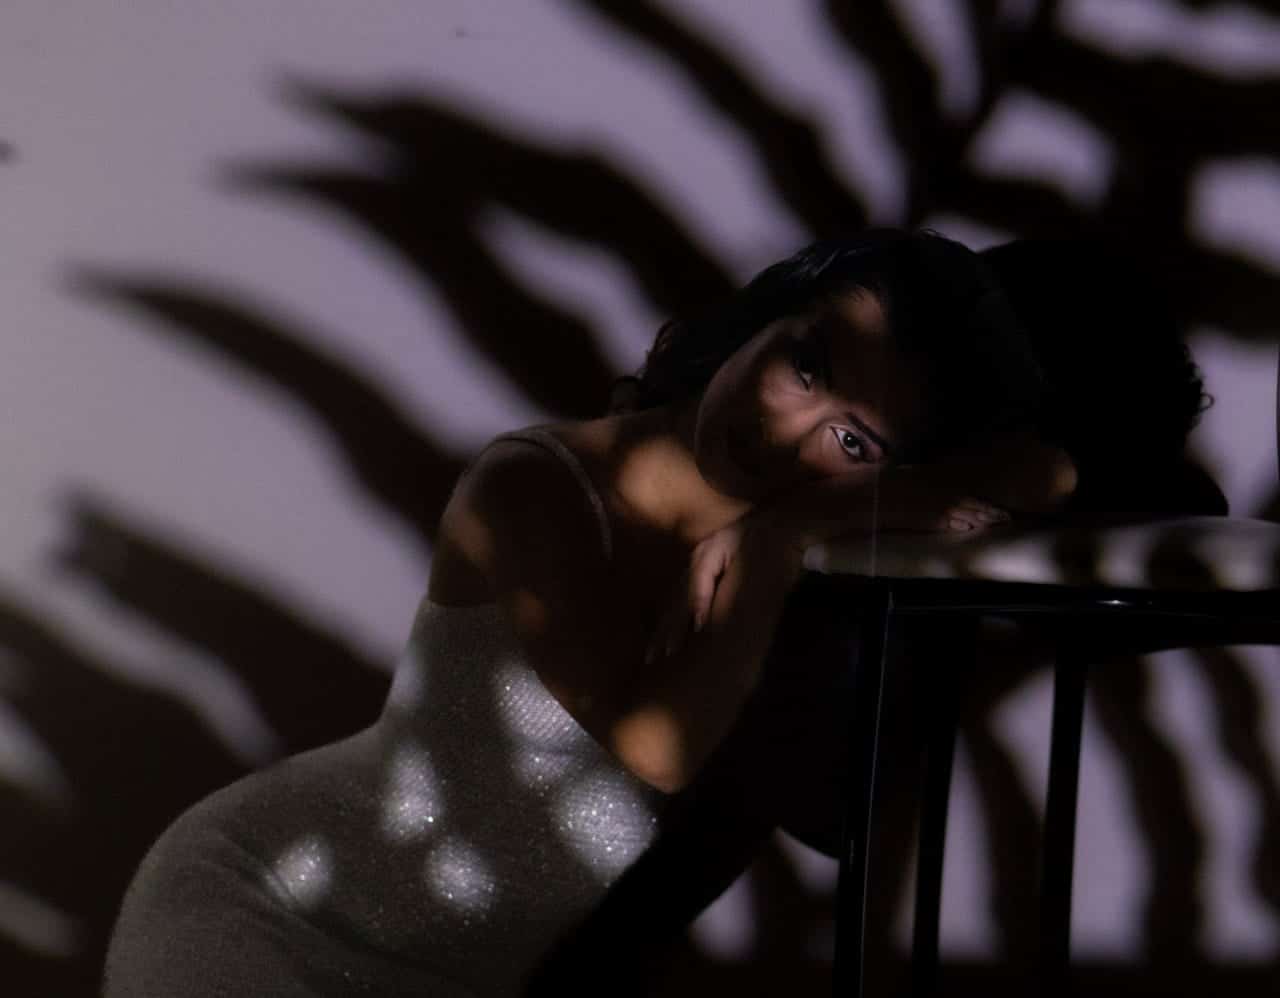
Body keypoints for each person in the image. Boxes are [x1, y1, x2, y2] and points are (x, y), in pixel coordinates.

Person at [102, 229, 1074, 997]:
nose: (783, 435)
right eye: (805, 368)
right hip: (273, 910)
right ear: (765, 317)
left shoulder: (783, 512)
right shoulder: (538, 487)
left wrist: (825, 509)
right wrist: (785, 542)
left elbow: (1048, 471)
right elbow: (649, 754)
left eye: (853, 440)